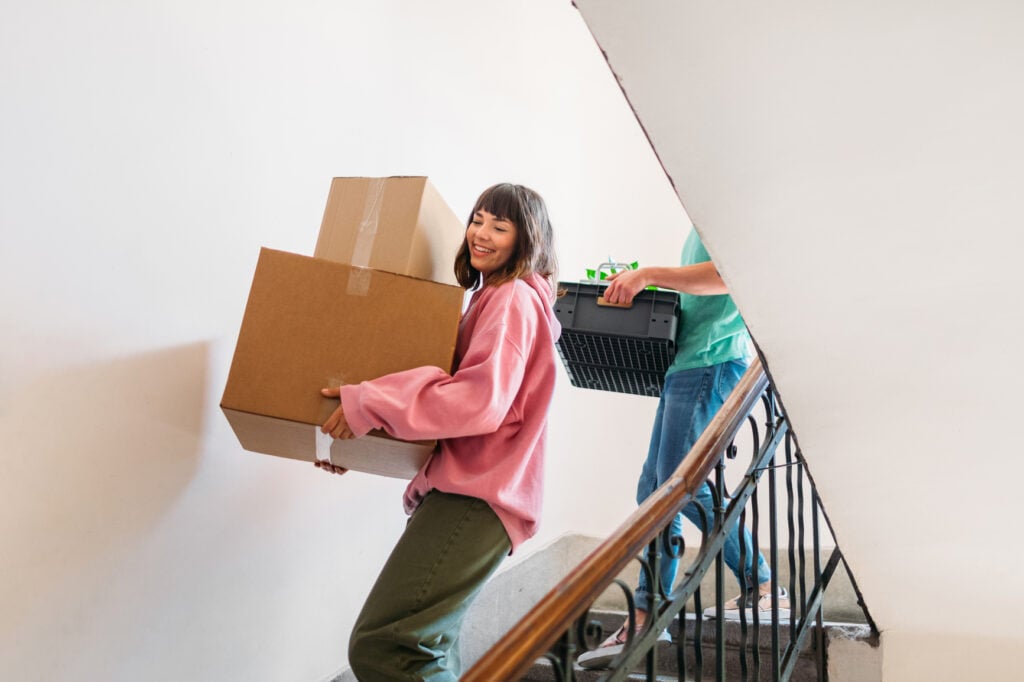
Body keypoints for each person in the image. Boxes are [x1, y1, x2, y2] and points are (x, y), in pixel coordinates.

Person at [314, 183, 561, 681]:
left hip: (477, 498)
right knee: (427, 650)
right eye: (478, 219)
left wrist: (371, 402)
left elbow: (477, 401)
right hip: (471, 493)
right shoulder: (491, 299)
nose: (481, 234)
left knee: (386, 647)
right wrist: (359, 432)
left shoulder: (512, 300)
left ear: (526, 239)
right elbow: (454, 411)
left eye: (500, 225)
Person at [577, 227, 788, 670]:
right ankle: (667, 605)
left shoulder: (726, 206)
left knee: (678, 488)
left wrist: (650, 275)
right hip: (688, 365)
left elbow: (726, 277)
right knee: (654, 491)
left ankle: (746, 589)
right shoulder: (702, 221)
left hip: (712, 362)